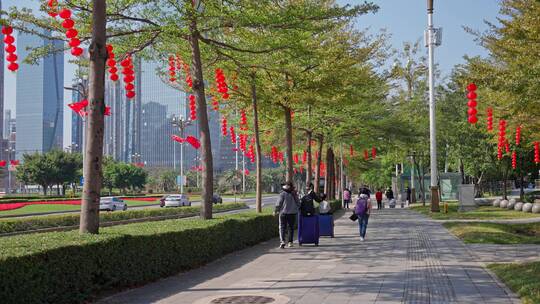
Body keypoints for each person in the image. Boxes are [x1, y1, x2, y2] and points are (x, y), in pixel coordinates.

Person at [274, 181, 300, 249]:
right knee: (290, 228)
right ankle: (290, 242)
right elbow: (298, 203)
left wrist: (275, 210)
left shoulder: (282, 194)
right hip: (292, 213)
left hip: (283, 213)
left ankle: (282, 241)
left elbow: (279, 203)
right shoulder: (294, 193)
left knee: (282, 227)